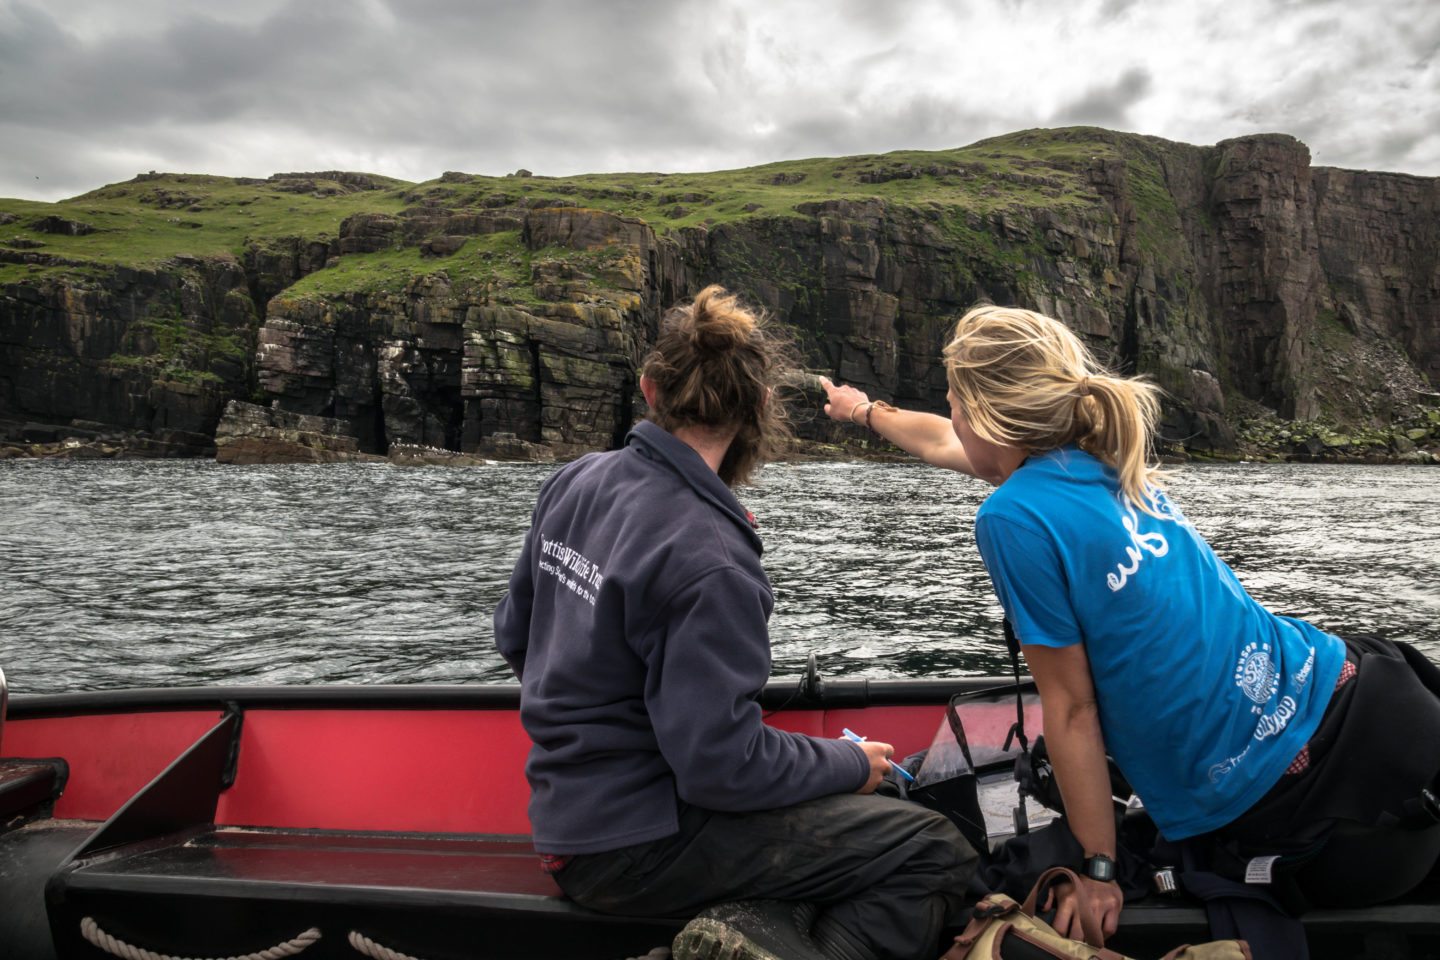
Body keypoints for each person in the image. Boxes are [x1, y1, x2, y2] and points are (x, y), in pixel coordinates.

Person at [822, 304, 1440, 946]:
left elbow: (1071, 710)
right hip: (1390, 720)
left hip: (1325, 830)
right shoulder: (1103, 450)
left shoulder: (1011, 517)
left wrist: (1098, 868)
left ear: (985, 414)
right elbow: (945, 442)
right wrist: (864, 412)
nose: (949, 416)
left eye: (953, 401)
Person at [494, 285, 977, 960]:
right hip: (639, 848)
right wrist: (847, 763)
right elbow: (720, 768)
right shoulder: (710, 558)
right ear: (758, 411)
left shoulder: (577, 481)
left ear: (650, 391)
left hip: (569, 822)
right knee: (929, 847)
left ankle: (748, 928)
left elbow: (516, 637)